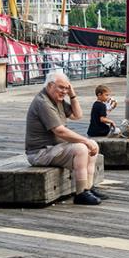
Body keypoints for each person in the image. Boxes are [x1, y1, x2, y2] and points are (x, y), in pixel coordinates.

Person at [25, 71, 105, 205]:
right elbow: (59, 131)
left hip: (55, 148)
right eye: (61, 87)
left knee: (93, 145)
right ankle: (80, 194)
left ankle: (88, 188)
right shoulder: (43, 102)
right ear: (50, 86)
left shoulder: (58, 99)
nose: (64, 91)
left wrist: (72, 95)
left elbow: (77, 115)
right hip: (40, 152)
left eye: (66, 88)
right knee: (81, 148)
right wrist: (84, 141)